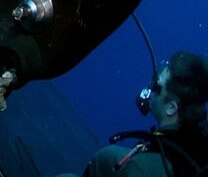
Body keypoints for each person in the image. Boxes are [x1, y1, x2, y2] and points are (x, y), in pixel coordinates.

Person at [78, 51, 208, 176]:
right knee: (106, 158)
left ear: (171, 109)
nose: (151, 89)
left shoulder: (140, 169)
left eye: (157, 87)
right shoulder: (199, 132)